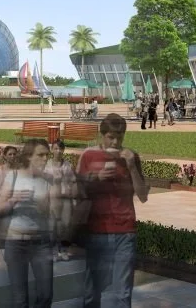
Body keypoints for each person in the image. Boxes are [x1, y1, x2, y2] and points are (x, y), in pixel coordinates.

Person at [76, 114, 148, 307]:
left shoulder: (131, 157)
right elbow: (78, 191)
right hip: (97, 231)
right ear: (102, 135)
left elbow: (143, 196)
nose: (116, 142)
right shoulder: (89, 156)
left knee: (122, 294)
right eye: (111, 137)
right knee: (92, 292)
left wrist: (132, 166)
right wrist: (97, 177)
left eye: (120, 137)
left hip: (125, 231)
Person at [0, 139, 56, 307]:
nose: (45, 159)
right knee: (20, 299)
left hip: (41, 243)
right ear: (29, 157)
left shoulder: (48, 179)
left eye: (47, 155)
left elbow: (56, 211)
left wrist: (46, 207)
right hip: (16, 242)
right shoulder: (13, 176)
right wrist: (14, 200)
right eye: (41, 155)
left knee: (46, 295)